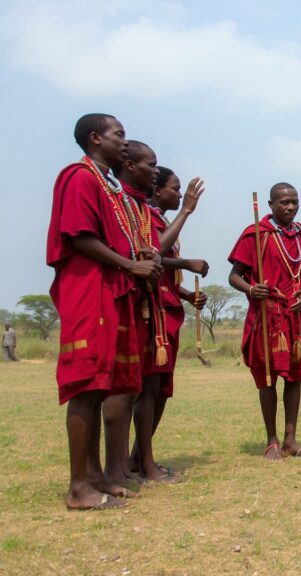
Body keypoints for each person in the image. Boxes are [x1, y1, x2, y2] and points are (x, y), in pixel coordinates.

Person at [47, 114, 161, 509]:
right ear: (95, 138)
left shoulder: (108, 185)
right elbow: (79, 236)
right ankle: (79, 488)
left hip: (112, 291)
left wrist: (138, 255)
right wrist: (130, 265)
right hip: (89, 290)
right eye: (119, 135)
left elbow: (115, 238)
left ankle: (96, 476)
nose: (125, 144)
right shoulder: (79, 177)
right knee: (85, 386)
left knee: (100, 387)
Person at [229, 183, 301, 461]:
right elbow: (234, 275)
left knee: (295, 377)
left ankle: (291, 440)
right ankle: (272, 440)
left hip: (296, 314)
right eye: (284, 203)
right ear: (270, 205)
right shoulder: (256, 235)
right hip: (268, 316)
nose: (290, 207)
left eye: (294, 202)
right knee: (268, 378)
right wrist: (251, 289)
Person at [130, 166, 208, 481]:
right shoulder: (145, 217)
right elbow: (154, 255)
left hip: (169, 309)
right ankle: (145, 463)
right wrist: (187, 211)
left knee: (161, 389)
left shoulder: (161, 220)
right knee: (148, 389)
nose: (179, 195)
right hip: (153, 314)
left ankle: (139, 457)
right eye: (175, 190)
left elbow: (163, 268)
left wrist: (187, 294)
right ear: (157, 190)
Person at [105, 139, 164, 487]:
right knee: (118, 389)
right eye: (151, 165)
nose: (155, 172)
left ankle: (128, 466)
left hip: (141, 303)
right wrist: (186, 211)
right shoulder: (115, 198)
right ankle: (112, 471)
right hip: (115, 299)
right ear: (129, 165)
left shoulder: (137, 206)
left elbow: (151, 251)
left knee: (138, 388)